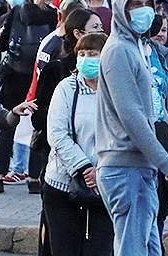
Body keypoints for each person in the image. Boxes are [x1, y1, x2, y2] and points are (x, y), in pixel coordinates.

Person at [96, 0, 168, 256]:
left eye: (148, 4)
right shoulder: (119, 50)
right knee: (134, 249)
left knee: (148, 248)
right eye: (135, 4)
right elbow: (131, 115)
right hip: (126, 167)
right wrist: (167, 164)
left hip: (140, 167)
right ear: (121, 10)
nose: (143, 10)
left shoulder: (138, 48)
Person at [43, 26, 112, 256]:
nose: (86, 59)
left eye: (93, 54)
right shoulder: (66, 88)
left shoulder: (116, 89)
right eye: (82, 54)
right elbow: (57, 134)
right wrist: (84, 168)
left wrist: (100, 171)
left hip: (105, 185)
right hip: (64, 183)